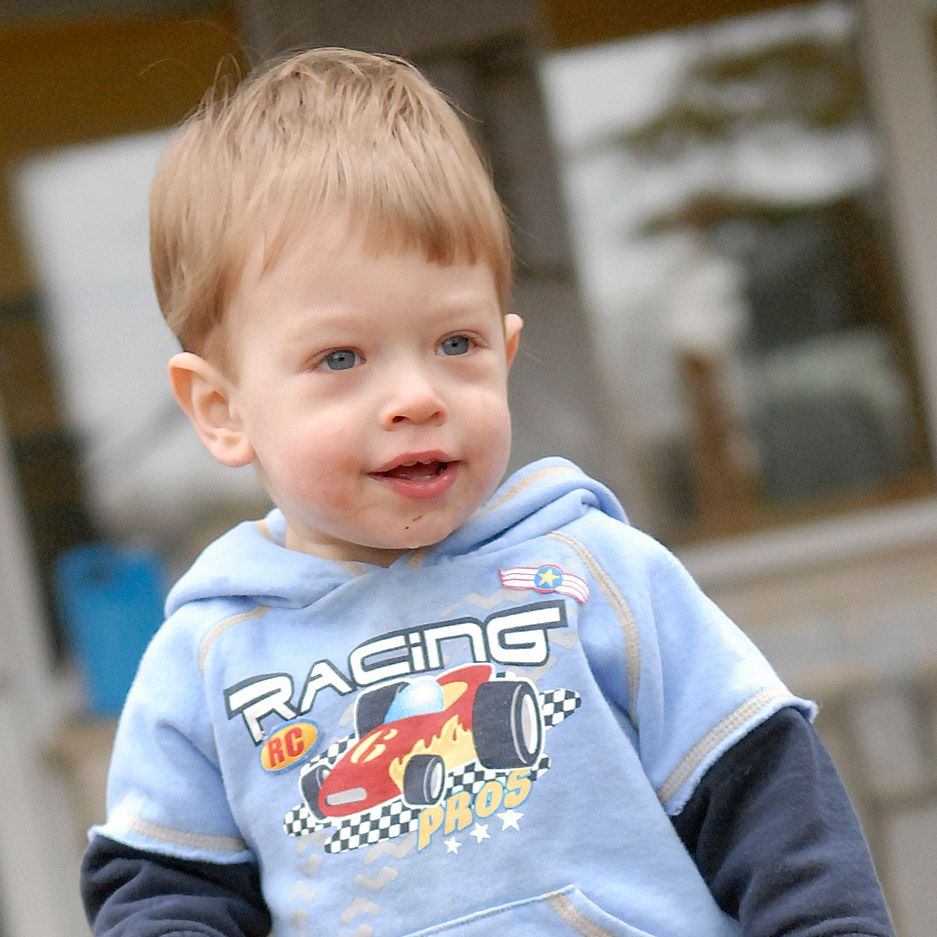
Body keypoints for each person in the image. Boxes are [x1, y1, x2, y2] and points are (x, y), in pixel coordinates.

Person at [81, 47, 894, 937]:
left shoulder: (599, 574)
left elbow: (769, 799)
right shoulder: (207, 656)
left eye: (454, 343)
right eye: (340, 358)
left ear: (505, 353)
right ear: (221, 407)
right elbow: (164, 895)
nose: (417, 396)